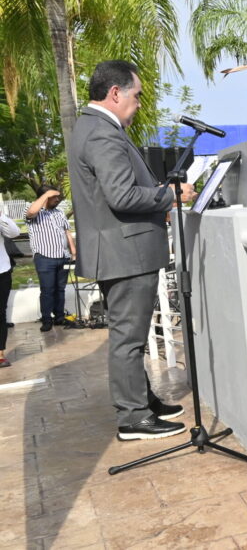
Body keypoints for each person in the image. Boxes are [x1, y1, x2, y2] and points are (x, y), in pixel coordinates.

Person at [67, 60, 188, 439]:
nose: (138, 103)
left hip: (123, 250)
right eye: (136, 96)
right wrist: (167, 195)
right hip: (125, 253)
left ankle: (142, 401)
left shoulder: (94, 127)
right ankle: (133, 417)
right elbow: (121, 195)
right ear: (115, 93)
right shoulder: (102, 133)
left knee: (131, 335)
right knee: (128, 338)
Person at [25, 184, 76, 332]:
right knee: (47, 290)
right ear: (45, 197)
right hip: (45, 258)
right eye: (54, 196)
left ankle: (59, 317)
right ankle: (46, 319)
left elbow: (67, 232)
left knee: (60, 289)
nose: (58, 199)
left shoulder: (59, 213)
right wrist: (46, 196)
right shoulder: (34, 212)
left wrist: (73, 252)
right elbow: (32, 212)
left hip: (63, 257)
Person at [0, 213, 20, 367]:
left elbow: (14, 233)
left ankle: (0, 354)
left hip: (2, 271)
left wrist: (1, 216)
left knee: (0, 312)